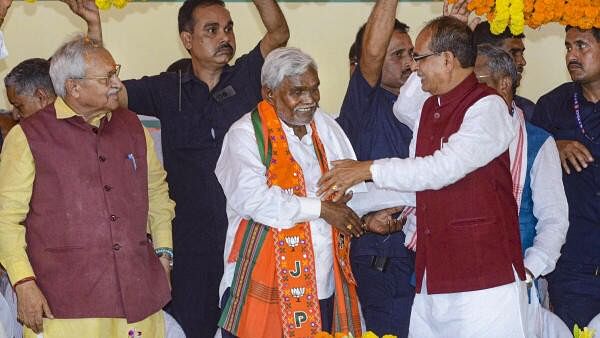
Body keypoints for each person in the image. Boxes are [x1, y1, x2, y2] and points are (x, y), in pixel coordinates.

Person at [66, 0, 289, 335]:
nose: (224, 37)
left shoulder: (246, 77)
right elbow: (110, 92)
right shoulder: (167, 89)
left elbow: (279, 32)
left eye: (228, 28)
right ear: (187, 39)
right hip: (190, 248)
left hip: (245, 242)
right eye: (211, 31)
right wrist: (95, 29)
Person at [318, 16, 528, 337]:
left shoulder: (488, 109)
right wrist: (356, 204)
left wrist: (367, 169)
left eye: (418, 58)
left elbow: (441, 169)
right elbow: (405, 107)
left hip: (483, 281)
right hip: (433, 278)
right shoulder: (429, 108)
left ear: (447, 60)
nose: (413, 68)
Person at [0, 36, 175, 338]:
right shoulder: (28, 136)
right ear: (74, 87)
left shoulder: (133, 127)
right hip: (64, 308)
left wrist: (164, 255)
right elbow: (6, 218)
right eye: (107, 77)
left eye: (115, 72)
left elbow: (157, 195)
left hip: (137, 301)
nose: (118, 83)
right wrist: (23, 282)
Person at [216, 47, 364, 338]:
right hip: (261, 282)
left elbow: (352, 188)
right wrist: (322, 209)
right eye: (297, 91)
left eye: (314, 89)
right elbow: (254, 200)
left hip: (323, 282)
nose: (309, 100)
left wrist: (369, 216)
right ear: (269, 93)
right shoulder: (244, 135)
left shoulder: (326, 127)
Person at [335, 0, 414, 335]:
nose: (409, 62)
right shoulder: (363, 108)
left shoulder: (426, 106)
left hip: (427, 262)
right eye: (397, 54)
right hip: (384, 262)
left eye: (413, 54)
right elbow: (370, 56)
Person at [474, 44, 569, 285]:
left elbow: (554, 220)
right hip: (461, 281)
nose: (466, 92)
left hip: (515, 281)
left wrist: (528, 270)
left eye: (475, 81)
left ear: (504, 84)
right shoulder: (454, 138)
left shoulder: (537, 142)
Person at [531, 26, 600, 330]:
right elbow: (524, 170)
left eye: (581, 46)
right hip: (575, 266)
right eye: (568, 47)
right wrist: (551, 149)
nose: (571, 55)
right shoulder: (551, 106)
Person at [473, 21, 536, 120]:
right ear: (484, 56)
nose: (523, 62)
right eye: (513, 53)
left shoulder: (528, 111)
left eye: (522, 54)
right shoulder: (462, 106)